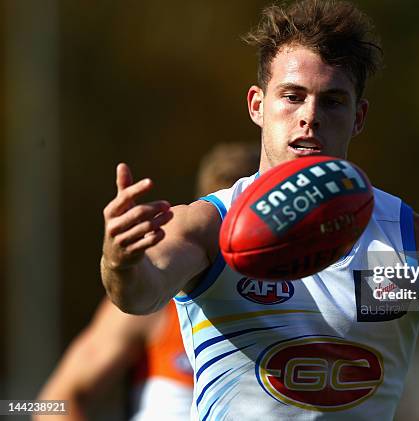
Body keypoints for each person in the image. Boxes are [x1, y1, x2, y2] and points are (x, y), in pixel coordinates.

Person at [99, 1, 419, 420]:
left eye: (332, 101)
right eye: (291, 97)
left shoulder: (414, 241)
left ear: (358, 117)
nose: (309, 116)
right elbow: (140, 292)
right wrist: (120, 261)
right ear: (257, 104)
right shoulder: (209, 226)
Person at [36, 143, 259, 421]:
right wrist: (120, 263)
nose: (231, 235)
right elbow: (55, 401)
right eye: (221, 216)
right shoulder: (155, 304)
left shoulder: (312, 298)